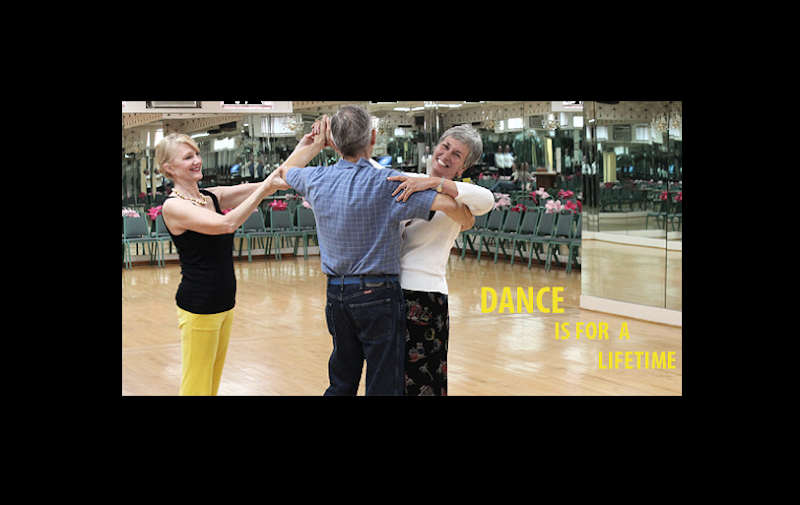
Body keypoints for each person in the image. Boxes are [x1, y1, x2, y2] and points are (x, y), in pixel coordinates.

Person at [277, 105, 474, 396]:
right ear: (373, 138)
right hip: (379, 294)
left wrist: (314, 143)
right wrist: (462, 213)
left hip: (336, 296)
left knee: (341, 381)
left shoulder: (316, 179)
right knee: (383, 384)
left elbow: (285, 172)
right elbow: (447, 205)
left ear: (336, 142)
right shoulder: (389, 183)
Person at [158, 133, 317, 395]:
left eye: (197, 154)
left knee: (211, 385)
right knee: (196, 387)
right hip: (199, 305)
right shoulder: (173, 207)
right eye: (188, 157)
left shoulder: (211, 196)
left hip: (224, 302)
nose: (197, 160)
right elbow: (226, 224)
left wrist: (310, 146)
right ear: (169, 168)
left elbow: (275, 179)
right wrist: (265, 189)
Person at [387, 124, 493, 395]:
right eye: (445, 146)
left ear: (462, 168)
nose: (446, 155)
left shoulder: (462, 197)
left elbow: (488, 200)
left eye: (457, 155)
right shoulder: (408, 179)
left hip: (427, 294)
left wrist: (436, 184)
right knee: (391, 375)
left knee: (427, 377)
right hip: (391, 290)